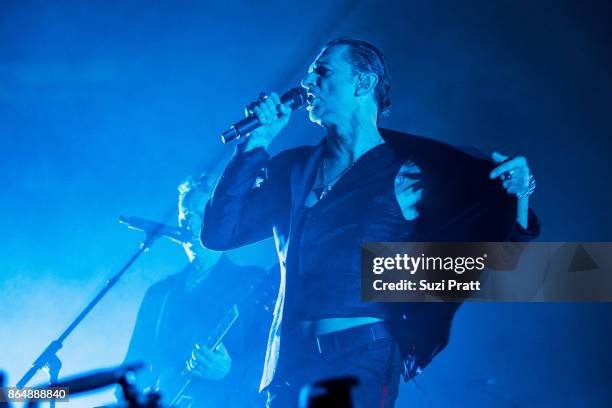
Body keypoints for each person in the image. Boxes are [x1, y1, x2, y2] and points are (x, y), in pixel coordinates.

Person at [201, 37, 540, 407]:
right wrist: (254, 144)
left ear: (363, 83)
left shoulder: (410, 171)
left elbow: (499, 256)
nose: (307, 84)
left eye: (322, 71)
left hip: (359, 360)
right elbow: (220, 233)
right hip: (287, 364)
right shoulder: (294, 168)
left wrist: (517, 194)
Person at [119, 173, 277, 407]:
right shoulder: (159, 293)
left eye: (201, 216)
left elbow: (273, 357)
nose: (190, 225)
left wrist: (229, 372)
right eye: (186, 217)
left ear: (222, 220)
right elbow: (132, 366)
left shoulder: (252, 281)